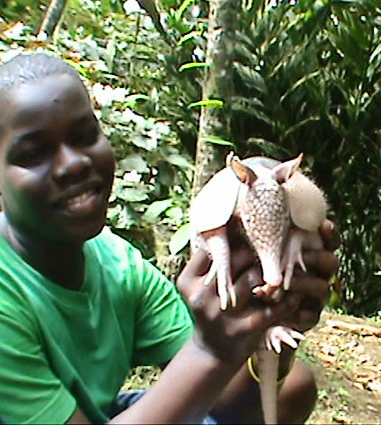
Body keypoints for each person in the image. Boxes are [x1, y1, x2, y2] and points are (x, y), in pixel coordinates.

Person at [0, 53, 339, 424]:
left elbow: (230, 402)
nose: (73, 163)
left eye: (85, 136)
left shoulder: (118, 265)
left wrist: (266, 321)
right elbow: (207, 362)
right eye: (33, 153)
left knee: (291, 387)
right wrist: (211, 349)